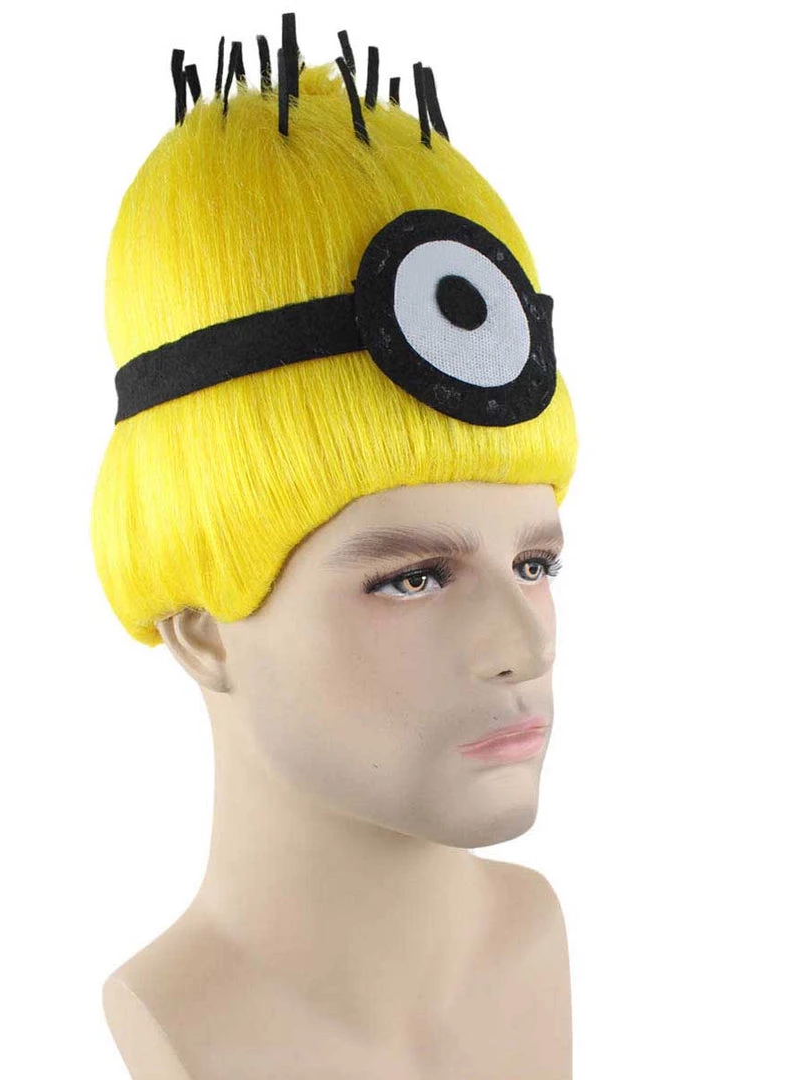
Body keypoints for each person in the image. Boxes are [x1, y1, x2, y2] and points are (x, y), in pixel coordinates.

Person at [91, 13, 578, 1078]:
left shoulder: (537, 932)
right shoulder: (183, 1027)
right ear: (202, 631)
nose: (524, 647)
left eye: (534, 564)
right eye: (413, 578)